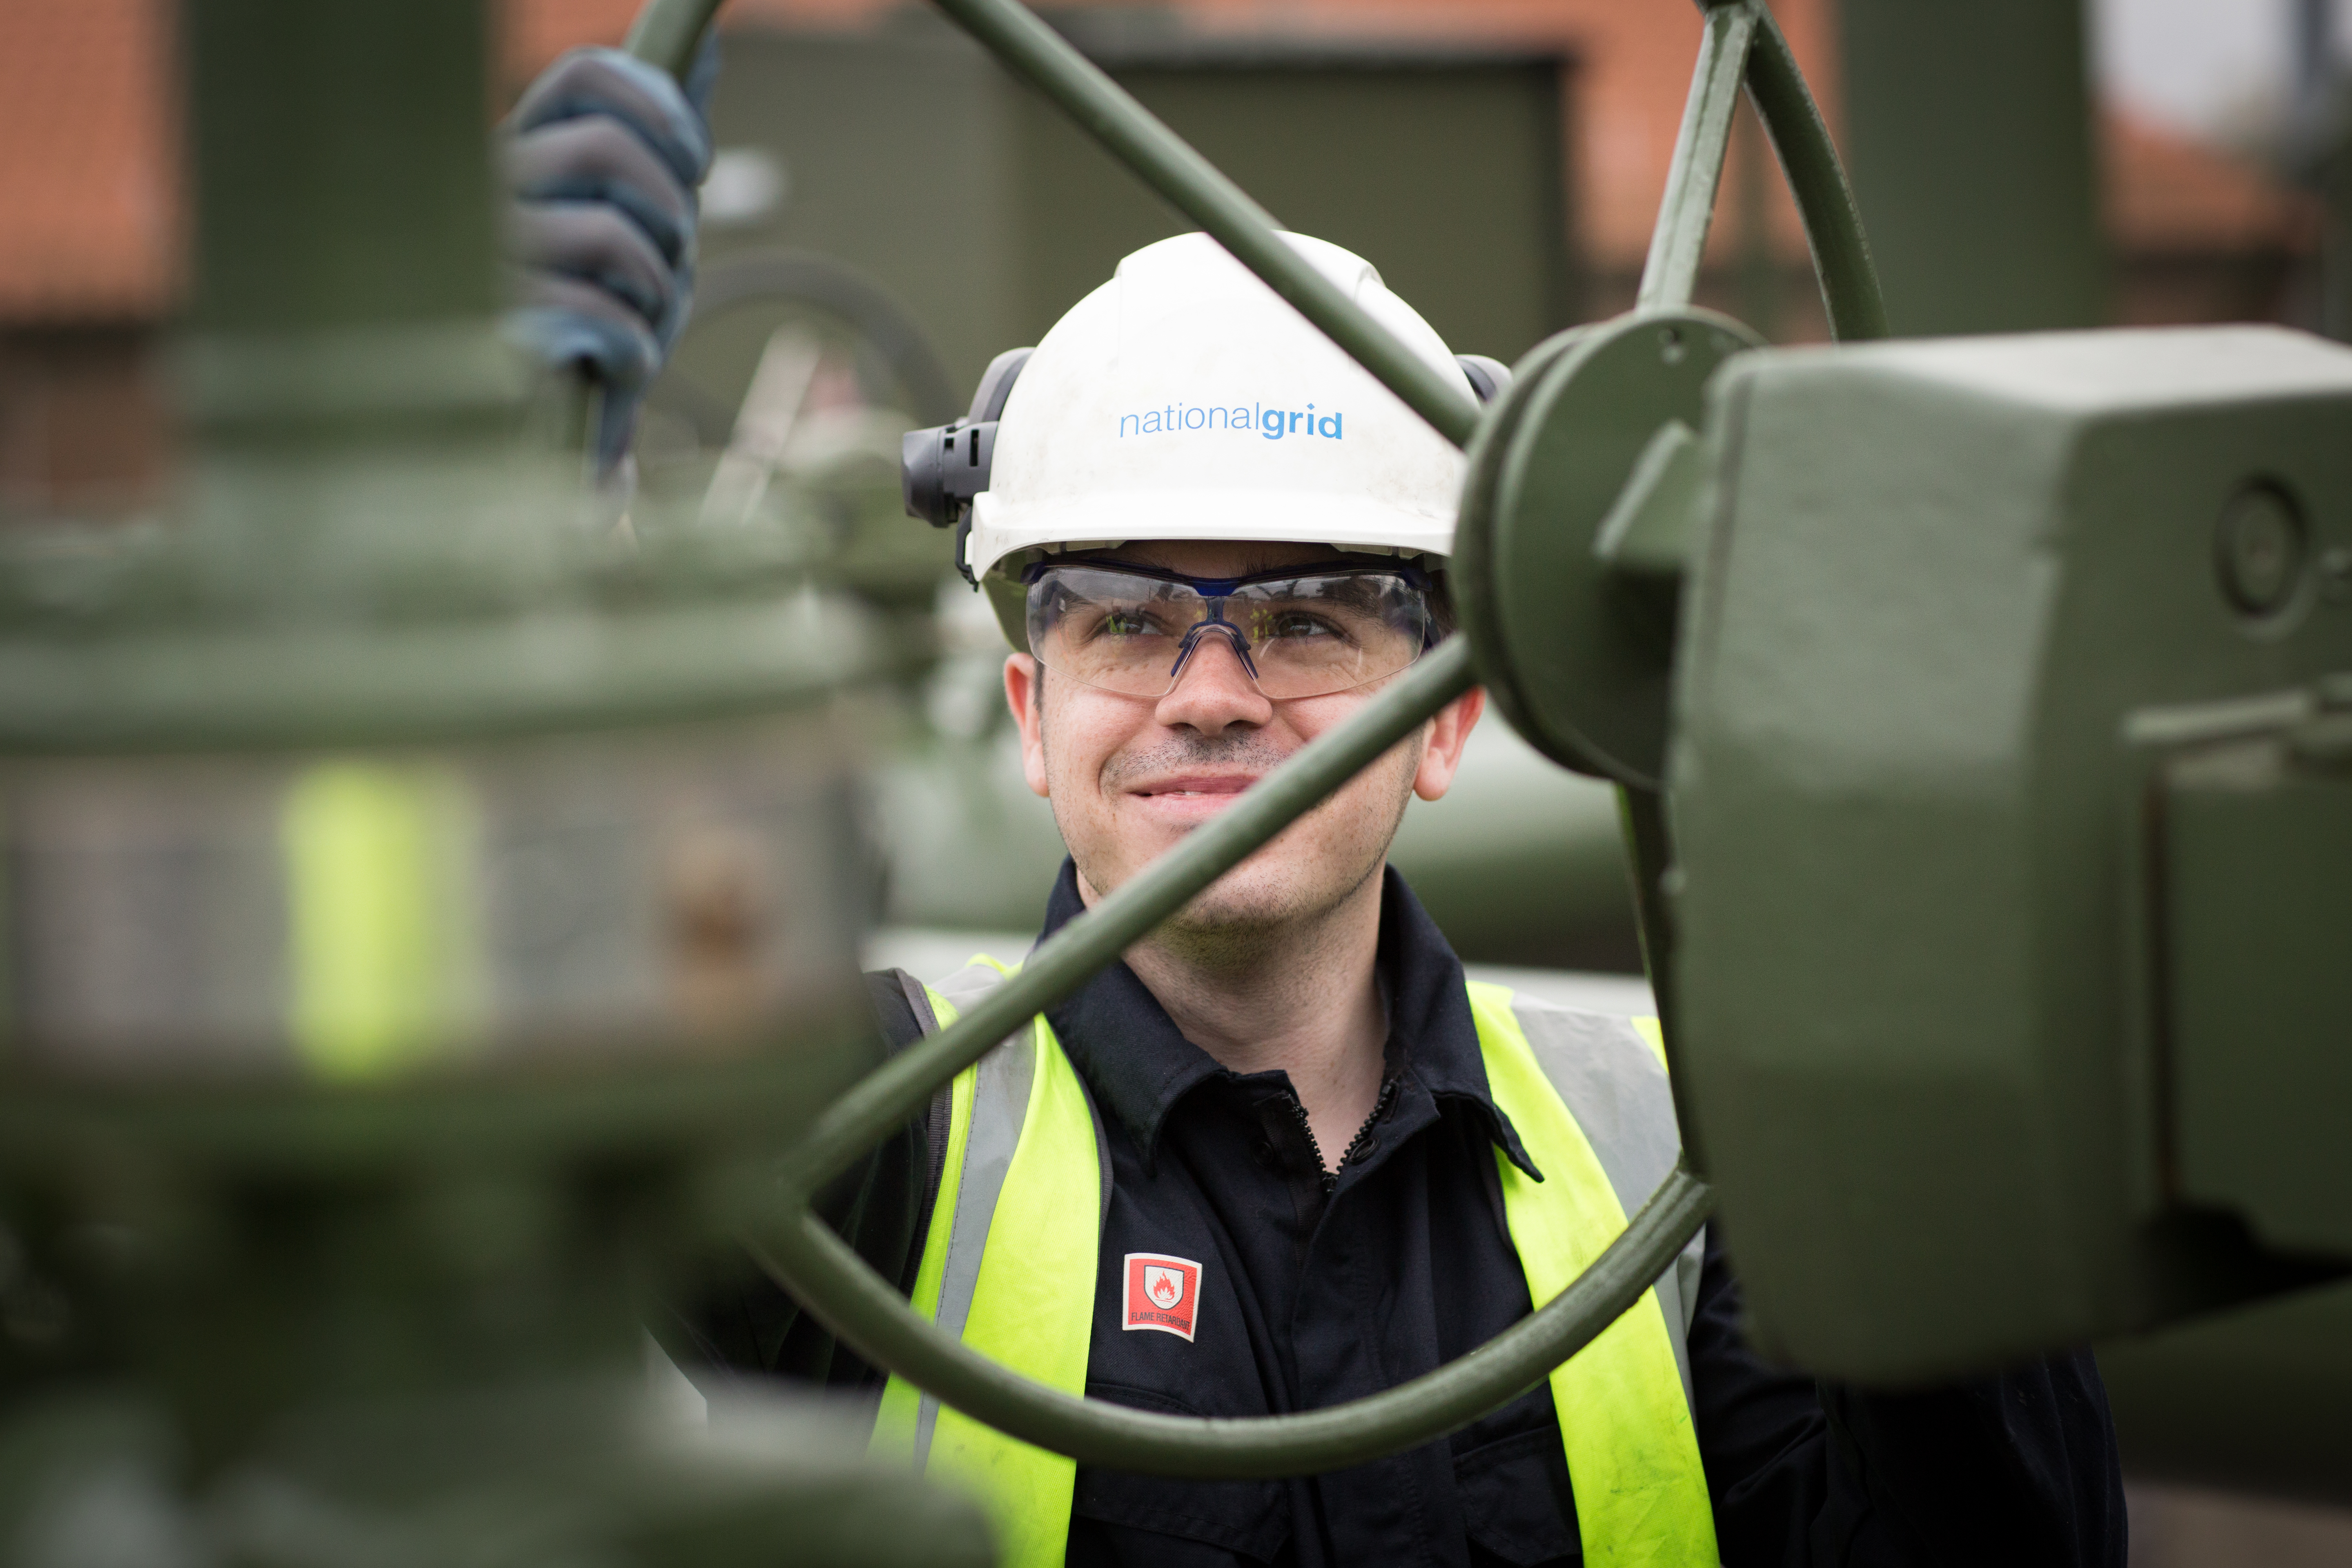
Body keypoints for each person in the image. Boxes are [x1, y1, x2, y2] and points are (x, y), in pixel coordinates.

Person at [670, 231, 2126, 1566]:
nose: (1214, 697)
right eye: (1130, 621)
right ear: (1032, 713)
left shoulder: (1687, 1172)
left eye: (1305, 622)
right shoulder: (857, 1123)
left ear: (1446, 718)